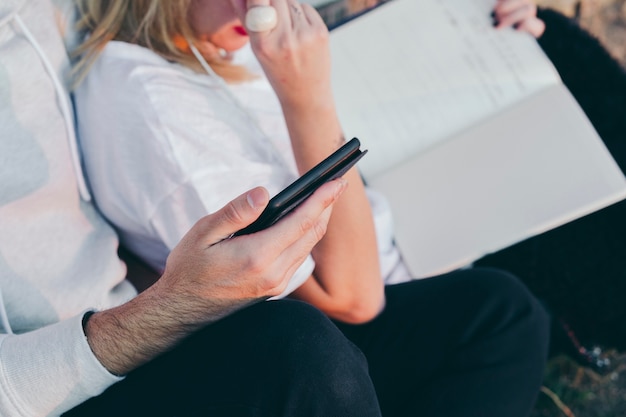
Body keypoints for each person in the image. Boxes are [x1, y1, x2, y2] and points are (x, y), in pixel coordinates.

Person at [69, 0, 549, 416]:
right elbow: (352, 302)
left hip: (405, 234)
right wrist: (308, 99)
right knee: (506, 317)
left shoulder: (212, 38)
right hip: (327, 326)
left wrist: (484, 22)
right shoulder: (150, 106)